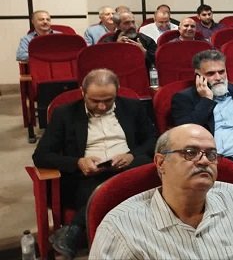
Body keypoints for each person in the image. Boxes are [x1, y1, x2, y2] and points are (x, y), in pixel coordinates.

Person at [88, 124, 233, 259]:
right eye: (190, 152)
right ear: (161, 163)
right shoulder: (120, 227)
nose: (204, 161)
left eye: (211, 154)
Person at [32, 69, 156, 259]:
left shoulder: (132, 107)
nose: (102, 106)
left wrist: (132, 155)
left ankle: (75, 228)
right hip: (88, 177)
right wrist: (77, 162)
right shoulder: (65, 114)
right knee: (105, 190)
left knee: (141, 171)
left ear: (117, 92)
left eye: (108, 100)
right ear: (83, 92)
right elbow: (41, 155)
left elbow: (153, 140)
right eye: (95, 101)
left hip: (128, 168)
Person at [170, 50, 233, 198]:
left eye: (221, 72)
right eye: (211, 73)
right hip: (207, 164)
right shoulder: (183, 98)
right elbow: (185, 134)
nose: (218, 77)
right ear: (198, 75)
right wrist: (206, 100)